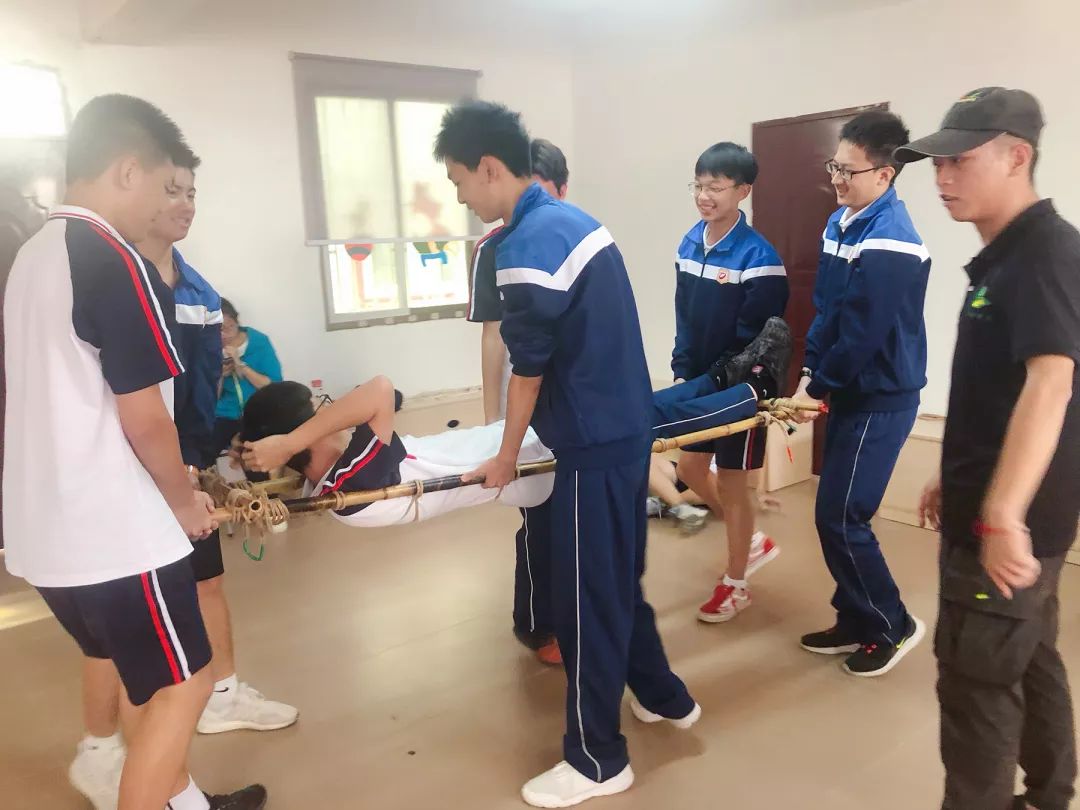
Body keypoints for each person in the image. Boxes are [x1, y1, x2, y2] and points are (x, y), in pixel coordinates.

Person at [2, 94, 266, 810]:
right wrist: (184, 503)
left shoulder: (35, 254)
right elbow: (145, 417)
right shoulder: (113, 259)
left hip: (47, 532)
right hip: (115, 534)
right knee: (185, 684)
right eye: (162, 186)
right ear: (127, 172)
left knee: (147, 678)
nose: (165, 205)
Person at [433, 99, 698, 808]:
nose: (460, 198)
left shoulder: (524, 243)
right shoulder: (570, 219)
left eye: (459, 181)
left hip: (590, 443)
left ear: (490, 168)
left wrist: (503, 455)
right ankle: (665, 697)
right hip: (623, 427)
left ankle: (598, 760)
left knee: (584, 602)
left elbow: (528, 368)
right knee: (616, 582)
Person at [898, 87, 1080, 810]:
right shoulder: (1010, 257)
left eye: (960, 161)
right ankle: (1051, 795)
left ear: (1017, 156)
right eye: (937, 164)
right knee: (1029, 656)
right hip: (1011, 510)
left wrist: (1001, 513)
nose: (942, 178)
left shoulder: (1043, 254)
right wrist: (956, 475)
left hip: (1008, 527)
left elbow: (1051, 382)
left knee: (976, 689)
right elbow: (996, 393)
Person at [236, 320, 790, 532]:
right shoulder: (350, 485)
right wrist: (289, 440)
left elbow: (378, 397)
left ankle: (722, 377)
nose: (329, 408)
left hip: (516, 443)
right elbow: (380, 390)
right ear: (303, 434)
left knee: (636, 409)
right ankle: (751, 392)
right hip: (529, 456)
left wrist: (287, 442)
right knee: (638, 424)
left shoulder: (338, 477)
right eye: (318, 409)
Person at [135, 160, 298, 735]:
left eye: (191, 192)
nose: (185, 203)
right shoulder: (115, 279)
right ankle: (112, 740)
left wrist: (196, 464)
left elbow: (199, 391)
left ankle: (222, 695)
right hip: (126, 468)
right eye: (171, 191)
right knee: (132, 600)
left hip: (185, 461)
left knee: (206, 579)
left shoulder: (199, 292)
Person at [791, 110, 930, 678]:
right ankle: (854, 616)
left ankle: (892, 623)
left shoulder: (893, 238)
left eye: (849, 171)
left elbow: (863, 332)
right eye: (835, 167)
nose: (837, 180)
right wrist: (809, 374)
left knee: (843, 516)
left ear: (885, 174)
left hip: (882, 395)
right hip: (849, 387)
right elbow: (828, 312)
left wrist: (820, 385)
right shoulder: (841, 222)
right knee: (836, 512)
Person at [673, 142, 788, 623]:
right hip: (700, 381)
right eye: (699, 185)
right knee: (690, 468)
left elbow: (756, 342)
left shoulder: (760, 257)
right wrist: (682, 369)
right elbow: (684, 317)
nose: (704, 196)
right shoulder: (688, 243)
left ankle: (736, 583)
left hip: (742, 387)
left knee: (736, 485)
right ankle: (751, 540)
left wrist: (718, 383)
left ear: (743, 191)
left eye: (716, 187)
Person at [466, 137, 570, 665]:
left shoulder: (576, 235)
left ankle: (575, 613)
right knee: (539, 511)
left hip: (574, 399)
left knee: (574, 511)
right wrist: (494, 421)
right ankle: (538, 625)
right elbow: (493, 335)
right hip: (525, 396)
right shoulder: (494, 248)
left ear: (562, 191)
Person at [213, 298, 282, 455]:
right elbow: (211, 398)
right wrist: (221, 375)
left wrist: (241, 365)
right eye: (218, 330)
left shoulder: (259, 342)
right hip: (225, 415)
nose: (223, 335)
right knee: (204, 448)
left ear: (236, 321)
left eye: (228, 327)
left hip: (259, 412)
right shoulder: (211, 348)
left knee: (260, 452)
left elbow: (271, 386)